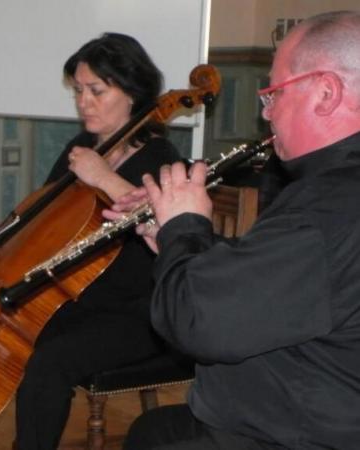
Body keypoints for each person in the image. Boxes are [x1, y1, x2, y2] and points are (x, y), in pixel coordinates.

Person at [0, 33, 182, 450]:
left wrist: (104, 178)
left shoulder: (162, 160)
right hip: (68, 296)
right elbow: (41, 220)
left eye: (96, 90)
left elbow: (168, 227)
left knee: (49, 361)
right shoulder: (80, 149)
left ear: (133, 93)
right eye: (77, 90)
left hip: (134, 311)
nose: (82, 101)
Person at [109, 10, 360, 450]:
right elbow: (291, 278)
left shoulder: (324, 209)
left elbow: (200, 325)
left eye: (274, 95)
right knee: (151, 431)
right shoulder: (333, 196)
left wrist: (185, 228)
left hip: (294, 431)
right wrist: (175, 237)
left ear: (326, 92)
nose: (268, 115)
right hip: (319, 408)